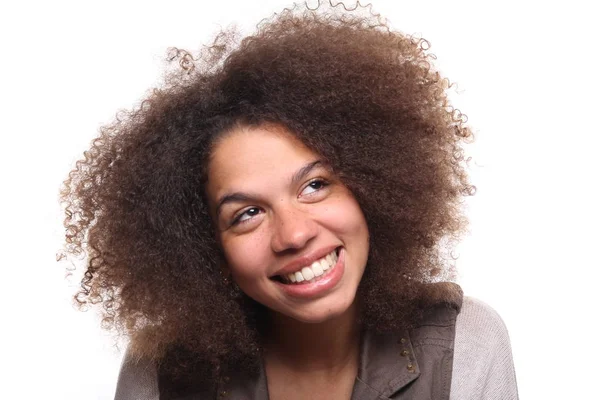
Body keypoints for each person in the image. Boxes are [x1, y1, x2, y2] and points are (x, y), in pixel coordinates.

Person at [60, 2, 518, 399]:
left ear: (370, 187)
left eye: (315, 185)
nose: (295, 234)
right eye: (248, 214)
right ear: (208, 250)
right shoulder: (159, 370)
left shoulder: (466, 344)